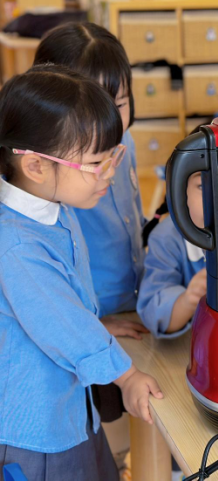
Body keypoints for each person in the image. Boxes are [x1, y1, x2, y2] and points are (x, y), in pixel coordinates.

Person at [0, 65, 162, 480]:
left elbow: (57, 305)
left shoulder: (52, 205)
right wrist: (127, 376)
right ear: (36, 166)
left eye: (112, 156)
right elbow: (63, 324)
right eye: (95, 162)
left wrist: (96, 323)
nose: (109, 172)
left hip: (69, 410)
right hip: (38, 433)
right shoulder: (16, 245)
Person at [34, 22, 146, 319]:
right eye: (94, 110)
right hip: (87, 315)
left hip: (134, 297)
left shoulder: (126, 142)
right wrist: (92, 324)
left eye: (119, 104)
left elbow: (132, 212)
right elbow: (45, 271)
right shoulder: (51, 172)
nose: (111, 124)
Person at [138, 169, 206, 338]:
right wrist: (190, 299)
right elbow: (154, 316)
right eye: (202, 186)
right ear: (179, 190)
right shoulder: (166, 238)